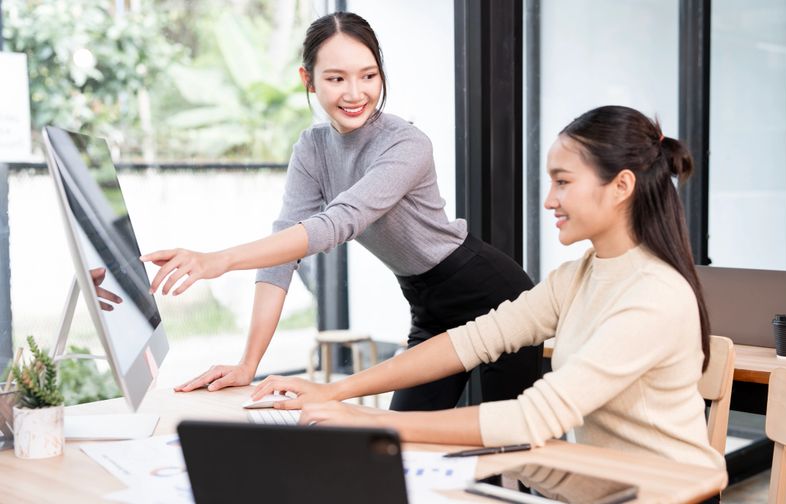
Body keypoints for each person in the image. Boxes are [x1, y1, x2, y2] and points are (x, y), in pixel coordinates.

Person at [259, 105, 726, 470]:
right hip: (607, 486)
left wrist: (371, 421)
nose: (549, 200)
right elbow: (469, 342)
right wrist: (335, 392)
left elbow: (531, 418)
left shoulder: (655, 295)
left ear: (621, 185)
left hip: (670, 493)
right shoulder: (578, 276)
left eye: (563, 183)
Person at [141, 12, 541, 411]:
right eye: (336, 78)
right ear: (308, 80)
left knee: (508, 448)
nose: (355, 93)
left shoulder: (406, 144)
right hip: (428, 307)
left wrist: (220, 261)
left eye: (368, 76)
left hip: (494, 296)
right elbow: (283, 256)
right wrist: (248, 364)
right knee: (399, 445)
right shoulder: (312, 148)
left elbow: (339, 223)